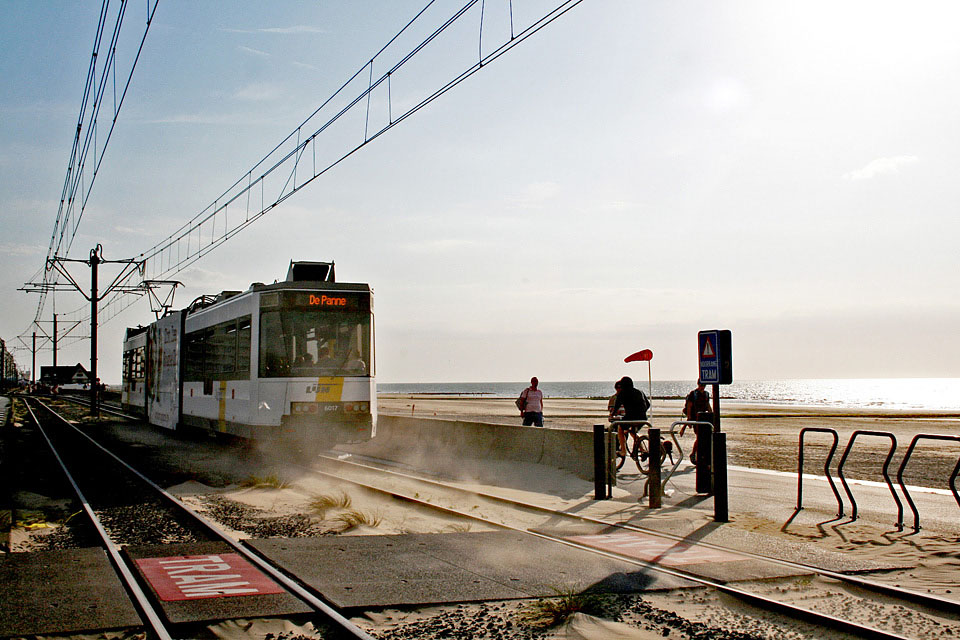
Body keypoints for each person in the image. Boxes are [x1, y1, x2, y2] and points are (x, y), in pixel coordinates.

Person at [611, 376, 650, 457]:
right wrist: (642, 412)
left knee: (620, 428)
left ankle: (623, 451)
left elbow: (616, 407)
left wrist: (612, 415)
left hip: (630, 417)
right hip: (643, 418)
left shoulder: (622, 393)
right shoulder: (640, 392)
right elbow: (648, 404)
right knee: (632, 432)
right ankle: (642, 450)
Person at [681, 381, 711, 464]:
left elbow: (708, 405)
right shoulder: (693, 394)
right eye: (701, 385)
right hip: (695, 418)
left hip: (703, 417)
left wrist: (711, 415)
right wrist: (689, 419)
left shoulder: (706, 394)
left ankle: (698, 454)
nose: (702, 387)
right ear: (698, 384)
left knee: (703, 437)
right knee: (699, 436)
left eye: (704, 385)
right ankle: (694, 453)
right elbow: (689, 407)